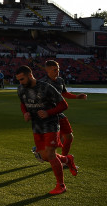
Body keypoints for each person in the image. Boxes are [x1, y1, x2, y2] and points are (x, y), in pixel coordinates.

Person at [16, 65, 77, 195]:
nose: (20, 82)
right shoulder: (21, 89)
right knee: (44, 157)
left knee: (50, 154)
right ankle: (67, 159)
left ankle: (61, 185)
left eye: (22, 79)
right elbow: (23, 103)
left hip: (51, 124)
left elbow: (63, 105)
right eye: (19, 80)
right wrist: (25, 113)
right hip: (37, 126)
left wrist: (49, 112)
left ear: (30, 75)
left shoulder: (46, 87)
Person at [35, 60, 87, 161]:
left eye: (58, 69)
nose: (57, 72)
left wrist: (77, 97)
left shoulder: (60, 80)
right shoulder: (42, 83)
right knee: (54, 140)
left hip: (58, 113)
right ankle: (41, 152)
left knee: (68, 137)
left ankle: (62, 159)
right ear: (48, 70)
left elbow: (64, 93)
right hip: (47, 115)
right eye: (54, 70)